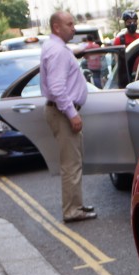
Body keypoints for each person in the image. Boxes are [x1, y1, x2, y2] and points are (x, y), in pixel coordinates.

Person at [42, 12, 95, 222]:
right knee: (71, 164)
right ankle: (72, 210)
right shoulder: (57, 52)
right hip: (63, 111)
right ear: (56, 27)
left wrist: (82, 50)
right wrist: (72, 114)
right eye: (69, 24)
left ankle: (76, 205)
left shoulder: (56, 47)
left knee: (72, 162)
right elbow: (57, 88)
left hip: (60, 110)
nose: (74, 28)